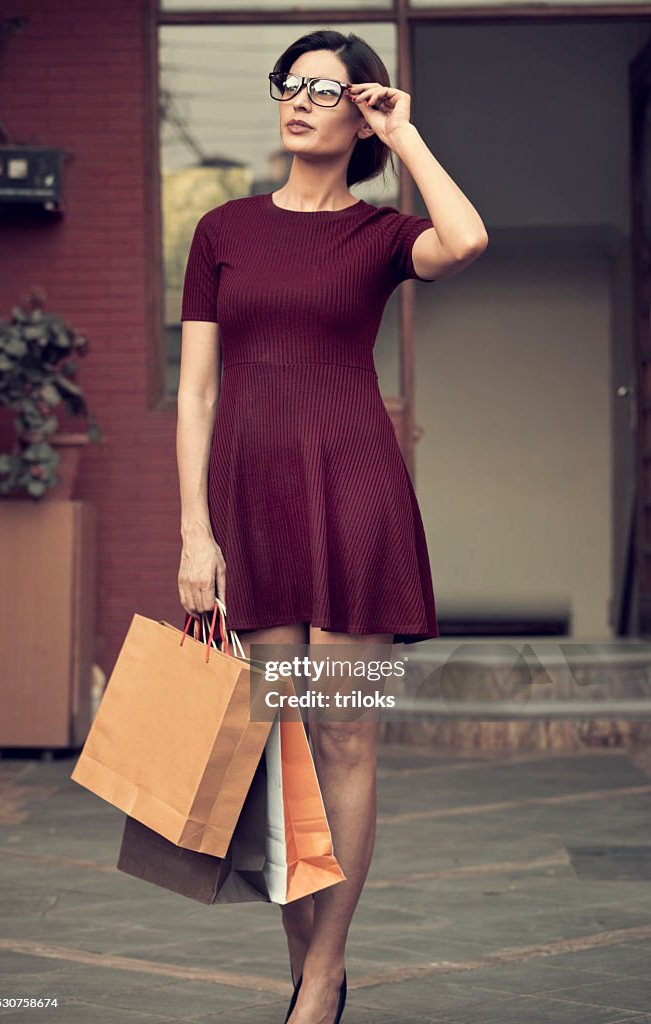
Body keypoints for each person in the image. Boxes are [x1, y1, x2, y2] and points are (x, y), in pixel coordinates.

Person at [176, 28, 487, 1024]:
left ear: (360, 112)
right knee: (280, 746)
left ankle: (320, 976)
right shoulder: (221, 228)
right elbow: (194, 395)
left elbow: (467, 239)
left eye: (327, 89)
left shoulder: (381, 234)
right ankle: (311, 957)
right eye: (291, 84)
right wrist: (194, 530)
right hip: (251, 503)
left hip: (352, 496)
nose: (300, 100)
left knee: (343, 733)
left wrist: (406, 136)